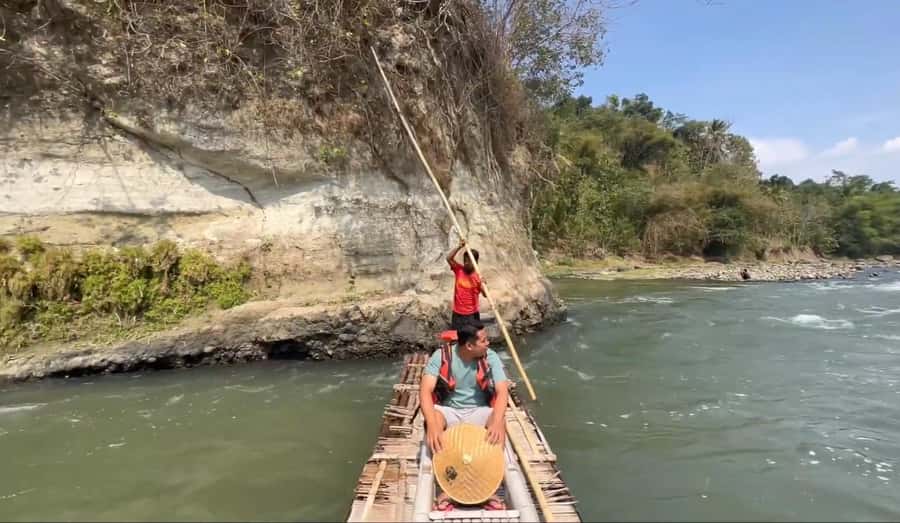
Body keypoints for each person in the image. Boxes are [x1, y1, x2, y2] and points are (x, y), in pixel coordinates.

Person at [420, 323, 510, 511]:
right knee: (433, 420)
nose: (488, 343)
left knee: (499, 420)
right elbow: (425, 391)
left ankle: (489, 486)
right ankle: (446, 485)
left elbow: (502, 392)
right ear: (469, 346)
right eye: (484, 340)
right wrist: (432, 424)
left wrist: (496, 421)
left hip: (479, 410)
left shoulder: (490, 357)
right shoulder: (442, 356)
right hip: (450, 410)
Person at [446, 239, 487, 330]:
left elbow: (485, 295)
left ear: (475, 262)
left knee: (472, 340)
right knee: (458, 339)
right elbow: (448, 258)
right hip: (458, 314)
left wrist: (483, 284)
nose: (466, 263)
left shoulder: (478, 278)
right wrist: (459, 247)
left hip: (472, 315)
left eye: (469, 261)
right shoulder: (459, 270)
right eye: (465, 260)